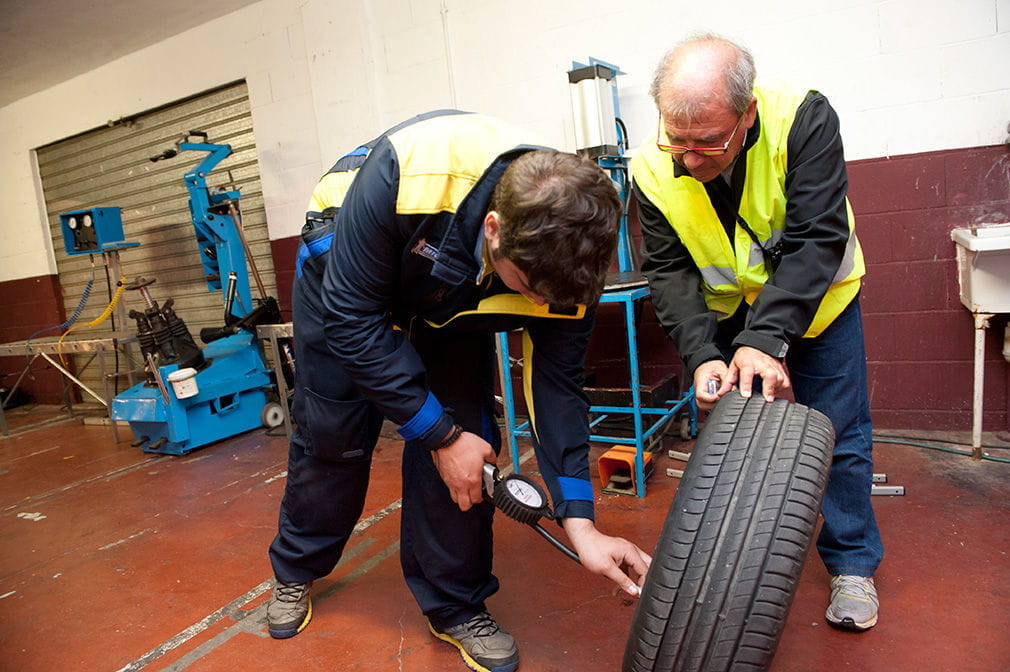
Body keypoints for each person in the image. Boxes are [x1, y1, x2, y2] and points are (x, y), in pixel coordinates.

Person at [267, 109, 652, 672]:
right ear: (494, 229)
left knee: (472, 449)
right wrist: (437, 434)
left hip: (451, 295)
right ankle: (296, 570)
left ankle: (455, 606)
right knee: (334, 434)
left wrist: (580, 521)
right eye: (531, 292)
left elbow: (558, 388)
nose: (542, 309)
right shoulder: (412, 171)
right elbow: (354, 322)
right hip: (349, 271)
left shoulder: (568, 259)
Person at [631, 35, 883, 631]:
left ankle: (852, 563)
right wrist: (699, 354)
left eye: (709, 143)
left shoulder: (804, 119)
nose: (689, 159)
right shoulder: (649, 167)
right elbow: (667, 271)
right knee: (725, 443)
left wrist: (765, 339)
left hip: (818, 306)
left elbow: (819, 236)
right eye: (677, 140)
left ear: (746, 115)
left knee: (839, 433)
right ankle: (725, 569)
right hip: (726, 316)